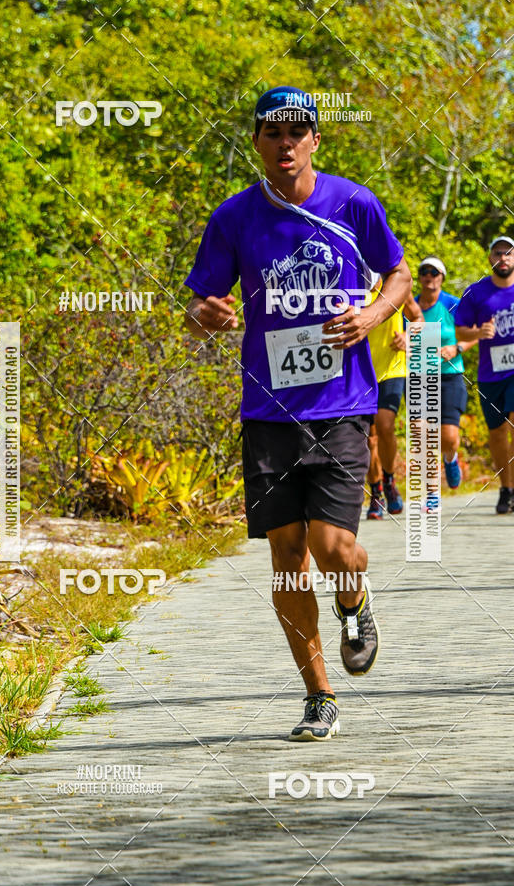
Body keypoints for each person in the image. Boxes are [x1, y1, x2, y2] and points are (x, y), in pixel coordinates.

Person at [184, 85, 412, 741]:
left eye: (297, 132)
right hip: (268, 409)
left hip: (343, 404)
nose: (285, 144)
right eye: (272, 133)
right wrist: (210, 315)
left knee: (333, 546)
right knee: (287, 556)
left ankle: (354, 597)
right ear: (257, 141)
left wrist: (370, 313)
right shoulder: (234, 218)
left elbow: (395, 274)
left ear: (315, 140)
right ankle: (319, 694)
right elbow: (200, 306)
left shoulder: (353, 202)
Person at [455, 236, 514, 514]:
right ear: (490, 258)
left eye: (509, 253)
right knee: (498, 434)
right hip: (491, 374)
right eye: (498, 253)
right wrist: (479, 333)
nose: (503, 258)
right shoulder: (475, 293)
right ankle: (506, 488)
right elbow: (459, 330)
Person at [415, 257, 476, 511]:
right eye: (424, 272)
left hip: (450, 377)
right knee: (423, 432)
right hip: (419, 377)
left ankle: (451, 459)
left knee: (449, 438)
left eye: (434, 272)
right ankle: (432, 493)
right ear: (419, 277)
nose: (429, 276)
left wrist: (457, 347)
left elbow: (474, 333)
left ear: (442, 277)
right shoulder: (410, 306)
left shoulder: (452, 304)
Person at [365, 276, 424, 519]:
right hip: (362, 372)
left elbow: (418, 318)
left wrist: (409, 336)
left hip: (392, 367)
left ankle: (389, 478)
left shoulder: (396, 283)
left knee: (385, 425)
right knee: (368, 439)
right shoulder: (350, 282)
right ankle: (376, 492)